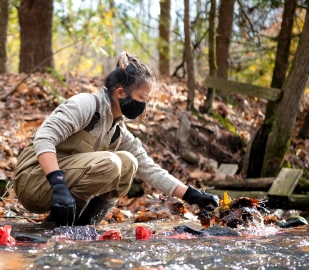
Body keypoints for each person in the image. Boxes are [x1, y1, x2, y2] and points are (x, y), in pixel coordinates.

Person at [13, 52, 219, 227]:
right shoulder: (85, 105)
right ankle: (59, 226)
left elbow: (149, 168)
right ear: (121, 93)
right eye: (142, 98)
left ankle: (84, 227)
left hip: (56, 187)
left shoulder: (117, 129)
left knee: (129, 162)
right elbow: (44, 138)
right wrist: (58, 185)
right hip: (33, 180)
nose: (144, 106)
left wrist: (193, 196)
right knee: (110, 164)